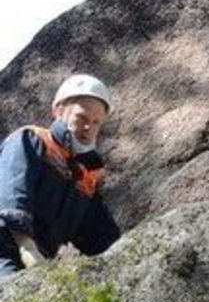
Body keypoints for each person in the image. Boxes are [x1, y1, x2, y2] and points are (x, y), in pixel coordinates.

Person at [0, 74, 121, 276]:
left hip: (39, 265)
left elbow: (100, 237)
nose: (88, 128)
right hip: (7, 251)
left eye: (96, 122)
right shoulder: (31, 140)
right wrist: (27, 248)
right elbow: (11, 195)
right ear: (59, 111)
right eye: (81, 117)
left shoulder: (86, 177)